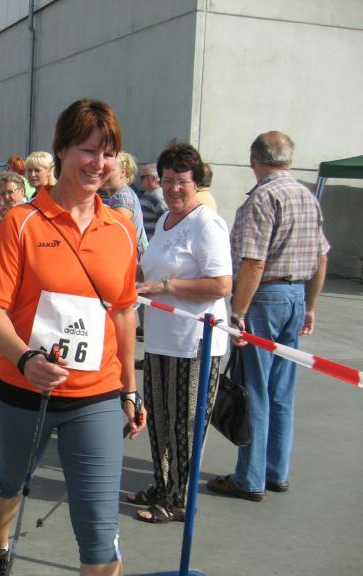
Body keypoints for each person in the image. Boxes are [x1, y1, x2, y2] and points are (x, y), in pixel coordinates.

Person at [0, 98, 144, 576]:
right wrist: (25, 358)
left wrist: (130, 390)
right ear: (62, 150)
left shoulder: (122, 229)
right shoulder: (22, 222)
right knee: (10, 482)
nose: (98, 163)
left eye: (108, 153)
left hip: (96, 397)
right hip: (24, 392)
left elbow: (123, 313)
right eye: (88, 150)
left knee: (99, 535)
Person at [207, 131, 329, 502]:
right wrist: (310, 305)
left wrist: (238, 313)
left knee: (254, 389)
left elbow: (254, 262)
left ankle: (250, 478)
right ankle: (276, 471)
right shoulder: (308, 196)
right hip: (295, 294)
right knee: (281, 391)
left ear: (254, 159)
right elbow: (321, 257)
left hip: (265, 298)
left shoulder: (262, 198)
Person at [128, 142, 232, 523]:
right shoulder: (166, 222)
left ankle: (178, 499)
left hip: (194, 343)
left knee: (185, 425)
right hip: (160, 338)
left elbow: (221, 284)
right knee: (159, 418)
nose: (173, 188)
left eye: (181, 181)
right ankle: (162, 485)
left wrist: (166, 287)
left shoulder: (206, 223)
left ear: (196, 183)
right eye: (168, 180)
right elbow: (149, 270)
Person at [99, 151, 148, 257]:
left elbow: (117, 230)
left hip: (131, 258)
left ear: (123, 172)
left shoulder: (122, 196)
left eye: (110, 170)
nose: (104, 174)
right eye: (102, 170)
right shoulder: (123, 194)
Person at [138, 163, 167, 241]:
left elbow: (166, 220)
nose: (140, 181)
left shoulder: (157, 196)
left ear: (152, 178)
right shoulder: (148, 194)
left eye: (142, 177)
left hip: (154, 242)